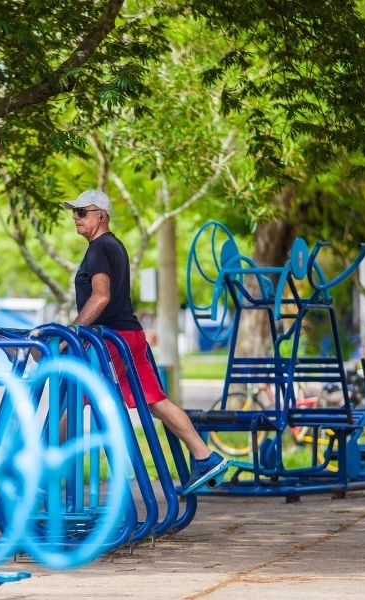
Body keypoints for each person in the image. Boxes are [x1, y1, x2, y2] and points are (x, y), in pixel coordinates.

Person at [62, 189, 226, 491]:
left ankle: (33, 471)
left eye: (82, 211)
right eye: (73, 212)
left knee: (74, 400)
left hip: (109, 339)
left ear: (101, 214)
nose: (75, 217)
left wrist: (71, 332)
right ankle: (205, 457)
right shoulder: (115, 246)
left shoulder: (99, 248)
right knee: (155, 399)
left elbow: (101, 297)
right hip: (131, 336)